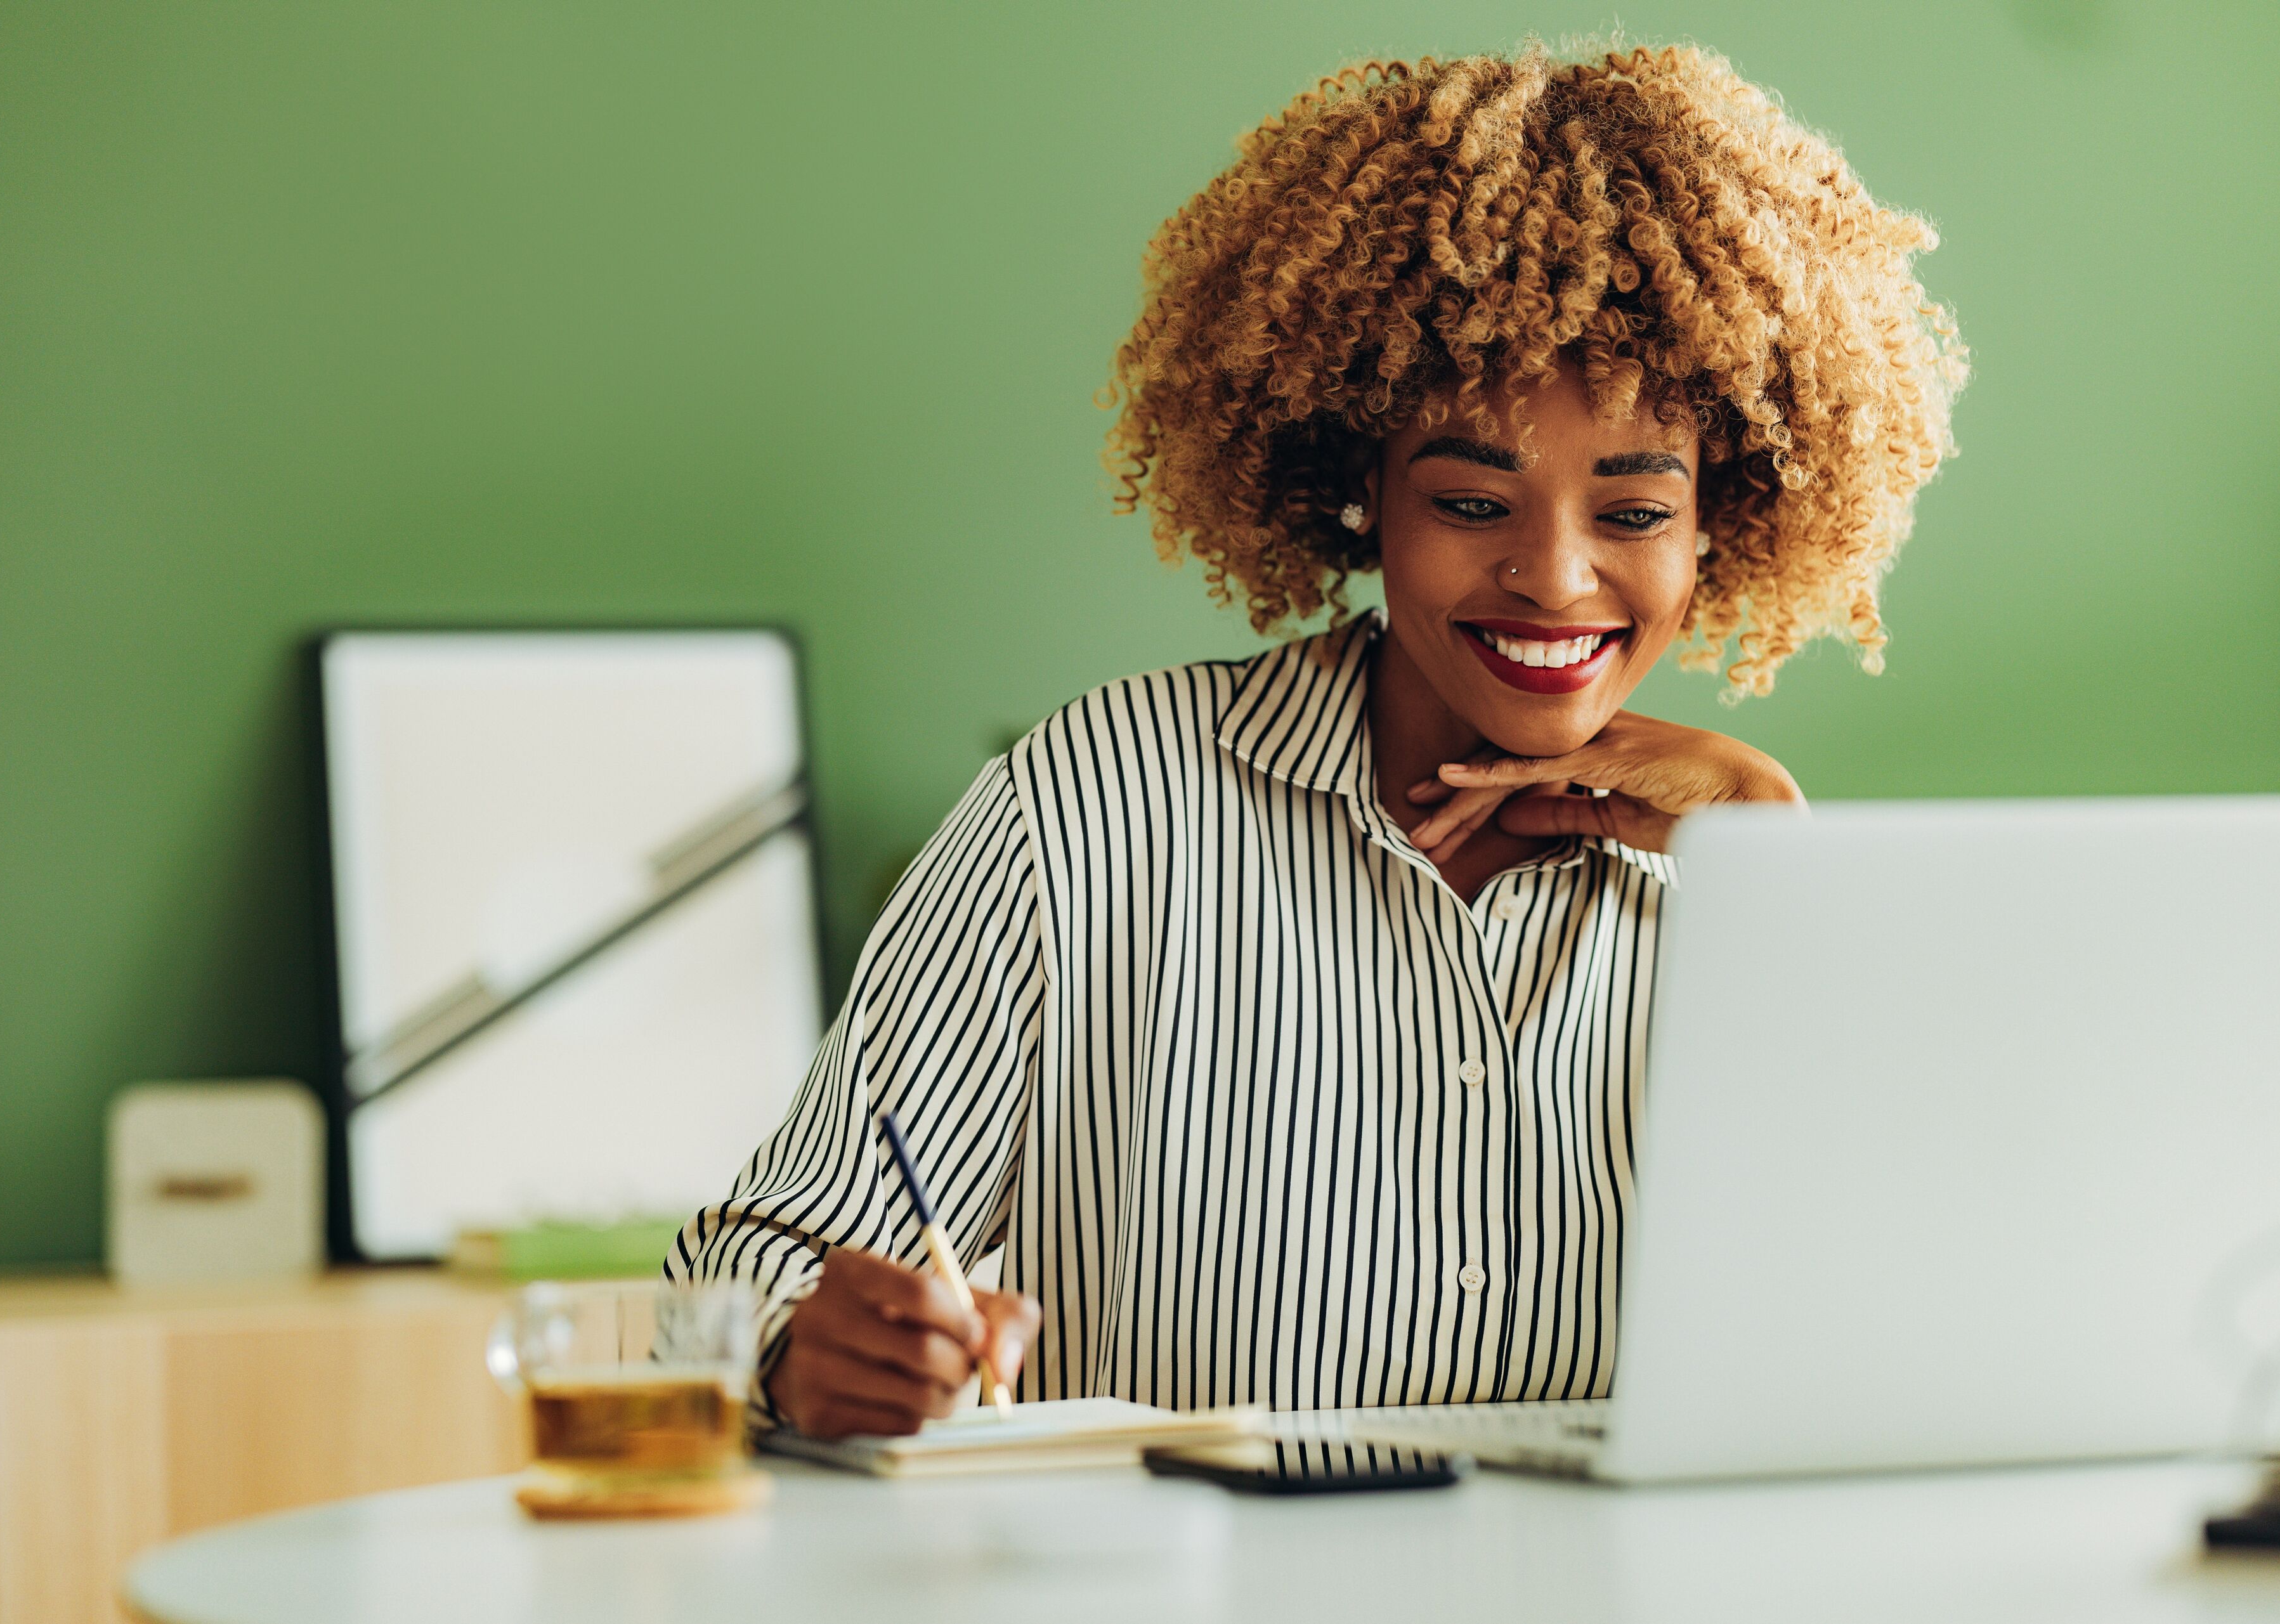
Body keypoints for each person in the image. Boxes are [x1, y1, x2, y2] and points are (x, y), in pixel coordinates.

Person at [667, 39, 1965, 1440]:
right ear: (1364, 493)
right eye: (1473, 503)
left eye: (1635, 514)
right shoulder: (1093, 811)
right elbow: (736, 1274)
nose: (1556, 579)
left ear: (1722, 517)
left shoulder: (1739, 873)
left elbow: (1919, 1327)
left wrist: (1779, 875)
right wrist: (801, 1349)